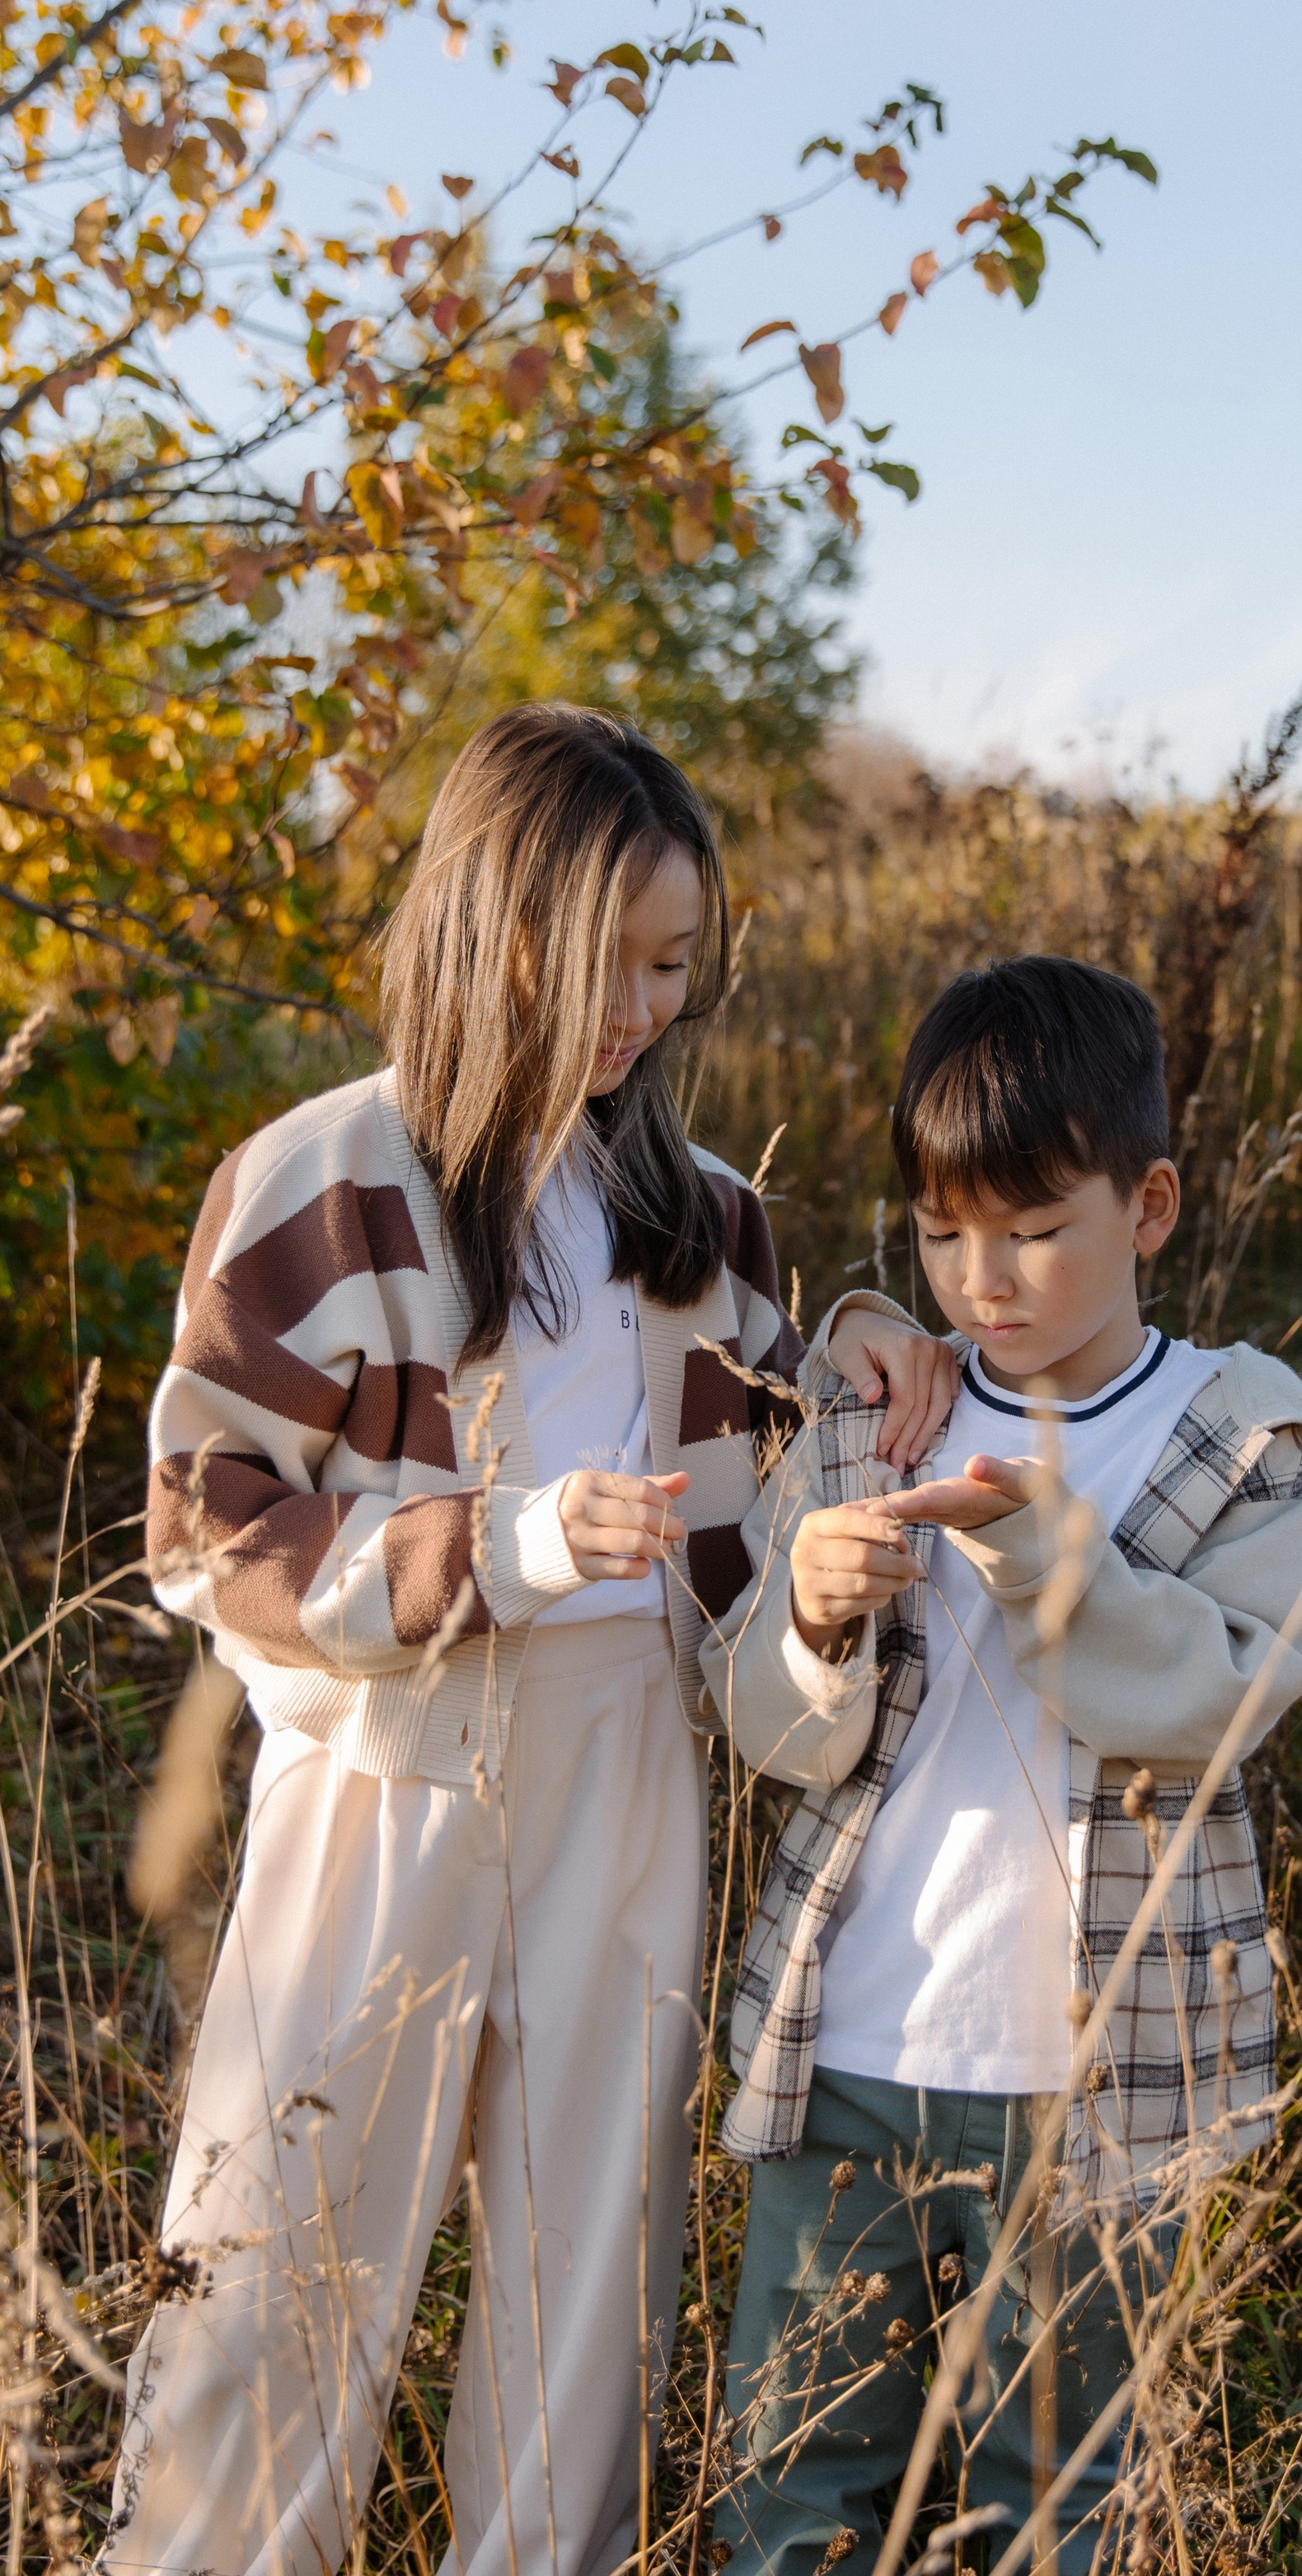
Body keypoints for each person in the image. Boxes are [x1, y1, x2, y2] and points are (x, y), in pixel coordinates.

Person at [105, 705, 955, 2576]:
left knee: (585, 2306)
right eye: (609, 962)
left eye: (674, 967)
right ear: (497, 928)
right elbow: (199, 1519)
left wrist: (877, 1336)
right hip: (380, 1780)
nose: (645, 1008)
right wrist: (488, 1544)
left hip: (625, 1777)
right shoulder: (322, 1177)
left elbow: (770, 1505)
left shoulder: (701, 1213)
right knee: (271, 2278)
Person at [703, 953, 1302, 2576]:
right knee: (791, 2482)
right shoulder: (871, 1423)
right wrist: (810, 1619)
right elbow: (768, 1734)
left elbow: (1220, 1695)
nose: (979, 1278)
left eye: (1031, 1228)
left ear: (1148, 1205)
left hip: (1099, 2081)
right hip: (848, 2049)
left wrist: (1042, 1555)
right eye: (937, 1232)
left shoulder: (1248, 1436)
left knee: (1059, 2503)